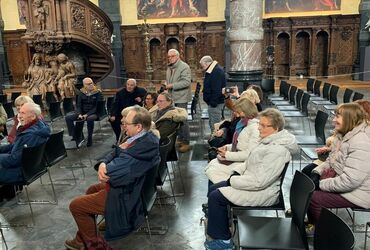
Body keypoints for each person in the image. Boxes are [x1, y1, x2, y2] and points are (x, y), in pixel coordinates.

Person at [65, 106, 160, 250]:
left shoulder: (140, 148)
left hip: (126, 195)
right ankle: (81, 239)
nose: (123, 125)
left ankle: (96, 246)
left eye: (126, 123)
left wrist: (107, 164)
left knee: (76, 206)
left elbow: (109, 174)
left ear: (139, 126)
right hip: (133, 188)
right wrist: (104, 162)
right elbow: (116, 151)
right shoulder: (144, 138)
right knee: (92, 189)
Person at [204, 108, 298, 249]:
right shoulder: (268, 140)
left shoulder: (277, 150)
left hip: (264, 192)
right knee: (214, 188)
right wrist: (235, 173)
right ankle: (220, 221)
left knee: (216, 197)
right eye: (260, 123)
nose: (258, 128)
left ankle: (222, 241)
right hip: (251, 181)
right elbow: (249, 162)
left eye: (263, 125)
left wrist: (233, 181)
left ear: (276, 128)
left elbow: (259, 182)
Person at [307, 103, 370, 225]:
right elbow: (331, 161)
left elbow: (350, 181)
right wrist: (317, 172)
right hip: (346, 183)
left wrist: (320, 184)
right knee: (308, 182)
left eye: (338, 116)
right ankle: (311, 221)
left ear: (349, 119)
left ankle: (319, 231)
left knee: (314, 198)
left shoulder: (361, 142)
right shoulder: (342, 135)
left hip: (359, 193)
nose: (334, 119)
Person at [205, 98, 260, 184]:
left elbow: (249, 154)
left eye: (239, 112)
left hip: (244, 164)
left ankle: (222, 189)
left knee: (213, 169)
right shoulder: (244, 123)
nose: (236, 115)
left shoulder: (255, 128)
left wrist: (227, 154)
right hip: (238, 158)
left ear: (246, 111)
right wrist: (227, 147)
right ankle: (218, 191)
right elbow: (239, 143)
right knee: (212, 166)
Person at [0, 102, 50, 184]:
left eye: (23, 113)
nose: (19, 115)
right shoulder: (40, 126)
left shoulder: (29, 135)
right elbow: (16, 146)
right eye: (19, 112)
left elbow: (13, 160)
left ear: (33, 116)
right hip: (35, 167)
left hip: (23, 172)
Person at [164, 49, 192, 153]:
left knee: (182, 119)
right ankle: (180, 138)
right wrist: (167, 83)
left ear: (177, 56)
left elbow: (186, 82)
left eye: (172, 56)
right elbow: (170, 80)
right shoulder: (170, 67)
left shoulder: (184, 67)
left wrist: (171, 85)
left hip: (181, 97)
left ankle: (186, 142)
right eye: (168, 56)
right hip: (173, 96)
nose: (170, 58)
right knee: (176, 119)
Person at [65, 77, 102, 147]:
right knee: (68, 117)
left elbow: (97, 107)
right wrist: (79, 114)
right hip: (83, 112)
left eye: (91, 83)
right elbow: (78, 105)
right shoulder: (81, 93)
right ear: (84, 85)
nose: (91, 85)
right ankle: (76, 136)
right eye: (88, 84)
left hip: (94, 112)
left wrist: (87, 114)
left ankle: (90, 138)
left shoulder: (98, 92)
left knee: (89, 119)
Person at [200, 55, 226, 133]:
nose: (202, 68)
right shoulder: (213, 70)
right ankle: (214, 141)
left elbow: (217, 90)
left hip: (215, 104)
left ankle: (216, 143)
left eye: (203, 66)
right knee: (212, 124)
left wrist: (212, 103)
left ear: (207, 64)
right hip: (213, 104)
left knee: (215, 126)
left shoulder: (216, 71)